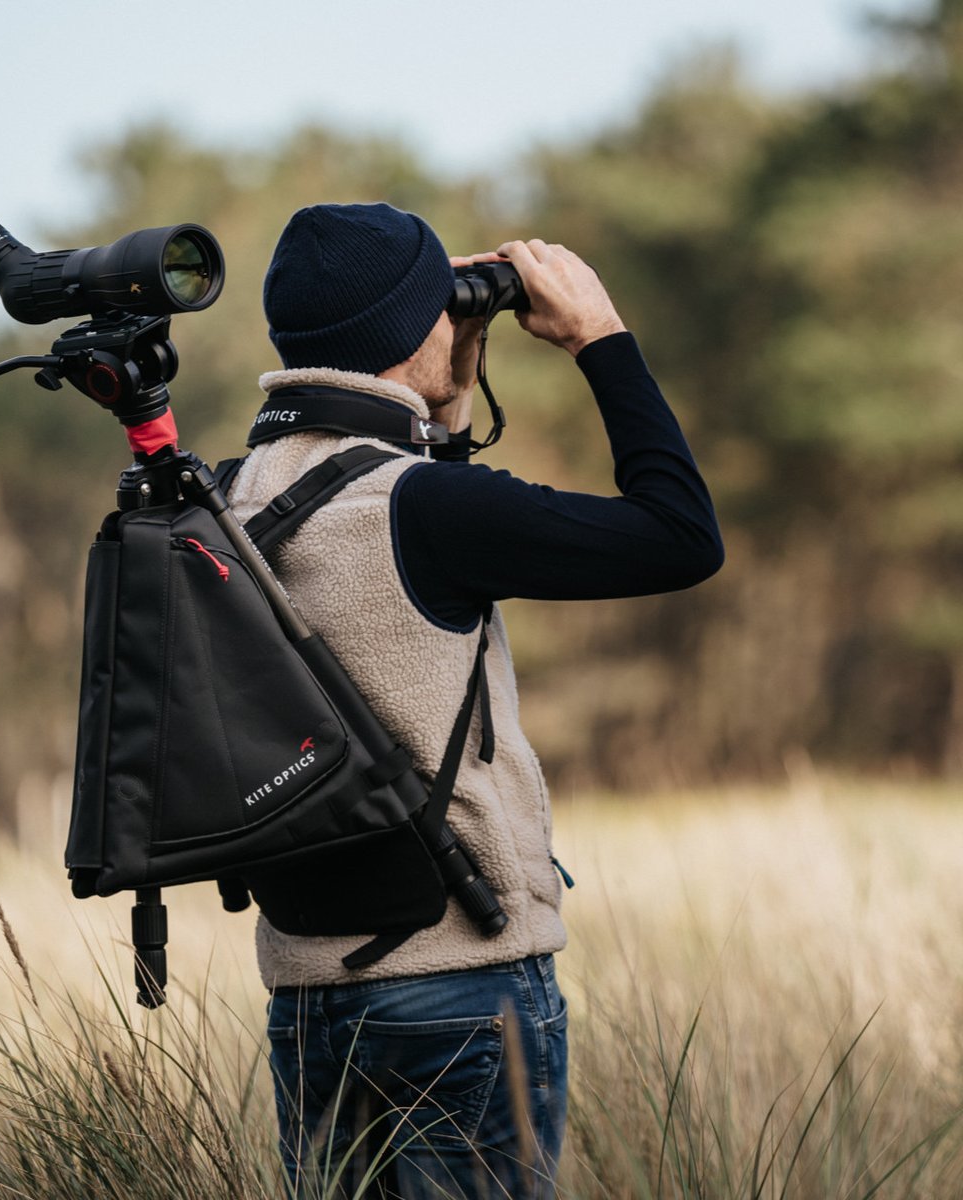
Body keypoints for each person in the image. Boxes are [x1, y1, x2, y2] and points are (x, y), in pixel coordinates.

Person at [225, 203, 723, 1199]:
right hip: (460, 978)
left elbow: (405, 581)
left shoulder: (231, 497)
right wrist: (600, 338)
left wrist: (442, 404)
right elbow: (681, 535)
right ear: (411, 332)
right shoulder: (427, 508)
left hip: (310, 991)